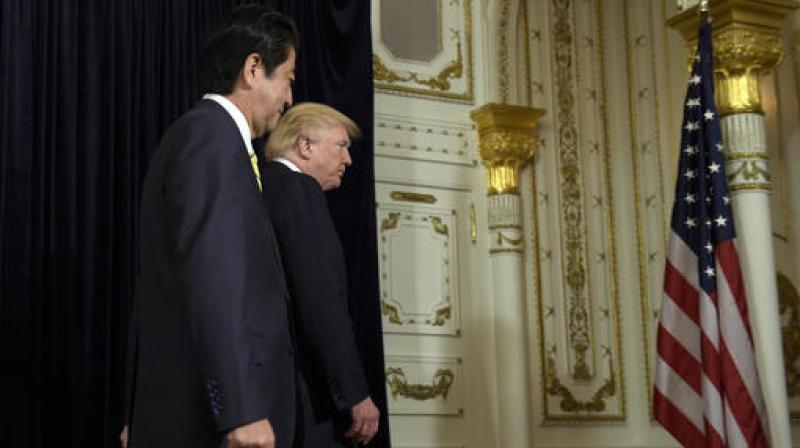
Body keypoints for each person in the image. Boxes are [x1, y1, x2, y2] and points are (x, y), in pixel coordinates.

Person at [121, 5, 299, 448]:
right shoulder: (211, 138)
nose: (290, 99)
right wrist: (242, 410)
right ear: (254, 68)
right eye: (289, 79)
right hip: (215, 425)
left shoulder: (207, 137)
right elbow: (214, 279)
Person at [261, 103, 380, 447]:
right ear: (305, 146)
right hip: (301, 393)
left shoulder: (261, 187)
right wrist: (355, 393)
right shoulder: (298, 190)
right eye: (341, 146)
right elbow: (320, 300)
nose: (349, 160)